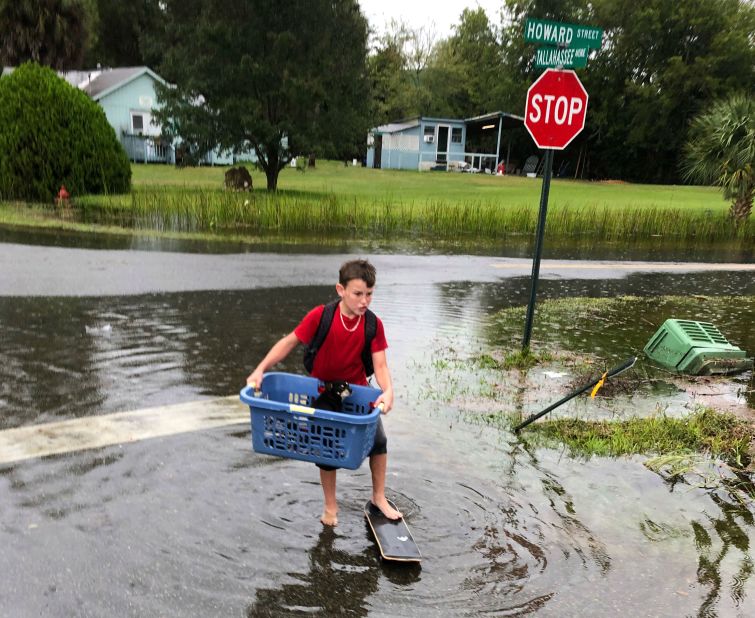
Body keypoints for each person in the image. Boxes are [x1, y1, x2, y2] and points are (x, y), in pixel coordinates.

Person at [246, 259, 402, 526]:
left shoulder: (373, 325)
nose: (364, 301)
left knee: (379, 441)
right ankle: (330, 507)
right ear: (340, 290)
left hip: (357, 392)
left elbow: (380, 365)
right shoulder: (322, 316)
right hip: (323, 392)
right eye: (357, 294)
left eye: (369, 294)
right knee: (326, 450)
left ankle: (378, 497)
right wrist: (260, 370)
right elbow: (288, 342)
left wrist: (388, 391)